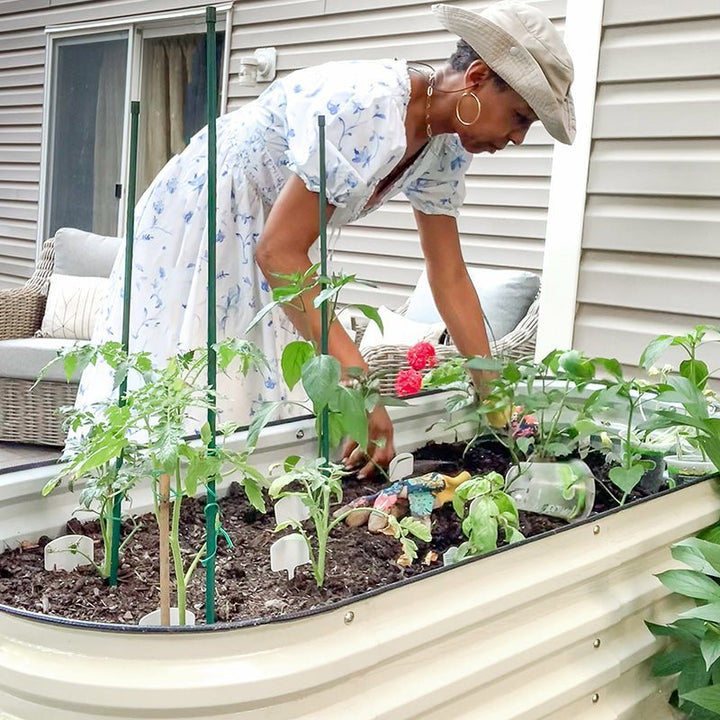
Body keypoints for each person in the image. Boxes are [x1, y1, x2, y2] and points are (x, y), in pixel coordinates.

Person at [77, 1, 575, 479]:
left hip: (271, 237)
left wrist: (493, 396)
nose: (518, 139)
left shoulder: (445, 146)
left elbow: (448, 275)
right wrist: (360, 385)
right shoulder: (368, 106)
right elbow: (278, 253)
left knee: (260, 402)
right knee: (188, 394)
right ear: (477, 78)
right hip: (209, 214)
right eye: (520, 118)